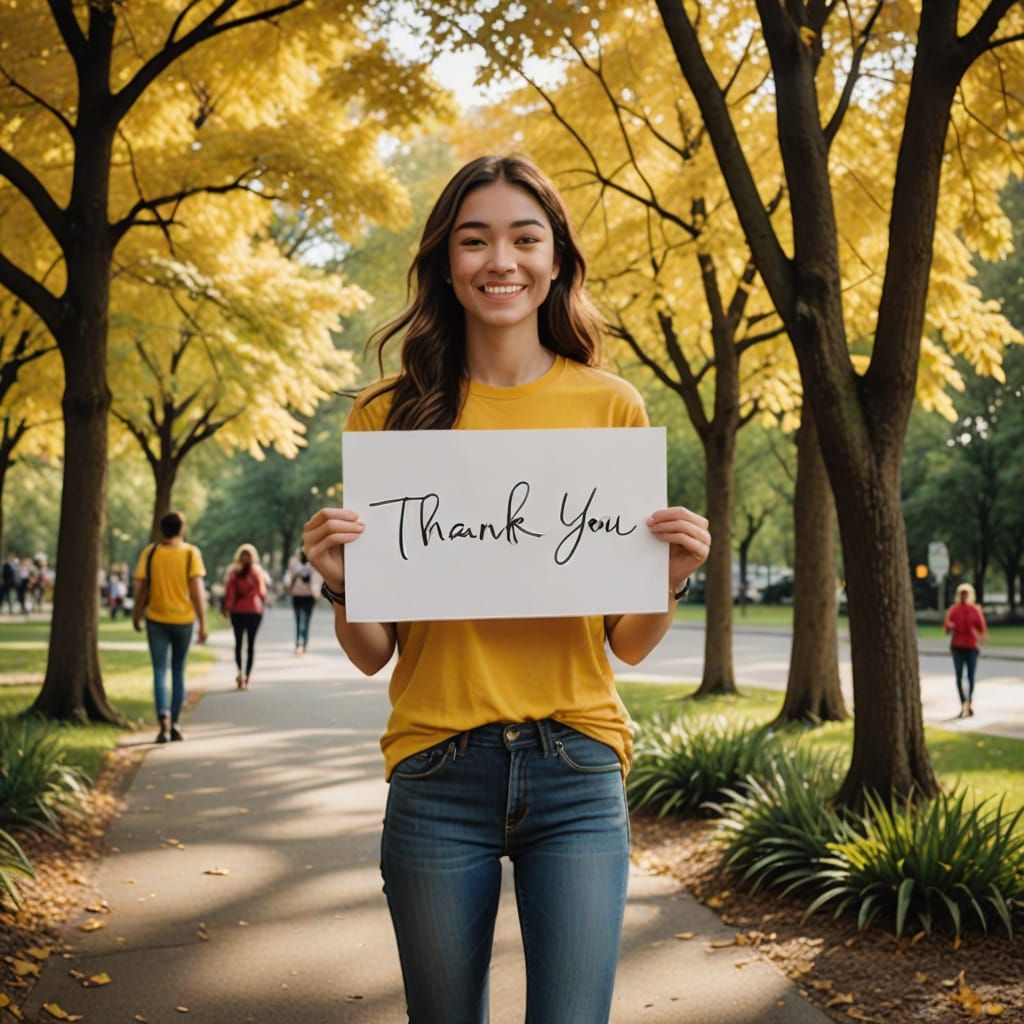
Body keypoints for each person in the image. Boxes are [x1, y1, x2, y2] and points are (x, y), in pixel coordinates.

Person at [301, 155, 711, 1024]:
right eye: (475, 239)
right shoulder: (388, 415)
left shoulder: (611, 408)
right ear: (447, 262)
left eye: (526, 239)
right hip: (437, 767)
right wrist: (342, 588)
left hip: (578, 765)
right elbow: (375, 656)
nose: (502, 261)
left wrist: (667, 579)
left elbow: (627, 643)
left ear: (555, 259)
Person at [133, 511, 208, 743]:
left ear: (161, 529)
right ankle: (175, 723)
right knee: (177, 669)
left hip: (156, 618)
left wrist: (136, 614)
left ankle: (163, 720)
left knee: (159, 670)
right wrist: (203, 622)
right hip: (183, 620)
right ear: (181, 529)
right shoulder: (190, 553)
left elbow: (142, 588)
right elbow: (196, 591)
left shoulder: (150, 552)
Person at [224, 543, 266, 690]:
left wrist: (226, 609)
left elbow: (230, 594)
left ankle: (240, 674)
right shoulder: (257, 573)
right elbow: (262, 593)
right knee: (250, 645)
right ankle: (246, 677)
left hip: (238, 612)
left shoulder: (233, 573)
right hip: (254, 612)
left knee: (239, 644)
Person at [944, 582, 987, 718]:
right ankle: (963, 702)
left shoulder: (974, 609)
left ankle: (969, 702)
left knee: (970, 677)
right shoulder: (954, 609)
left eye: (966, 594)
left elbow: (981, 628)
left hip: (971, 647)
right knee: (958, 676)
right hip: (958, 647)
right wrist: (950, 626)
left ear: (969, 595)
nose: (963, 596)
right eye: (961, 594)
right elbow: (946, 627)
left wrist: (977, 633)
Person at [286, 549, 320, 655]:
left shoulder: (313, 567)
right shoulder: (295, 567)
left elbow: (317, 582)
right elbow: (289, 580)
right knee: (298, 621)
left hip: (309, 596)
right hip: (297, 596)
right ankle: (298, 644)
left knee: (306, 622)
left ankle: (304, 644)